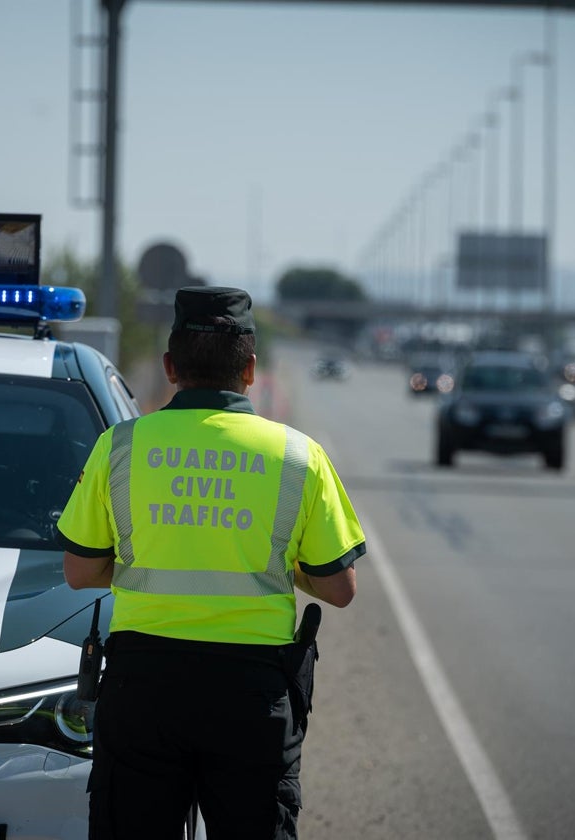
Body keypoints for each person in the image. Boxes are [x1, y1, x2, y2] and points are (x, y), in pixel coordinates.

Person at [57, 285, 365, 840]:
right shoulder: (299, 455)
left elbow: (79, 572)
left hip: (143, 689)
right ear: (250, 369)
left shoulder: (120, 446)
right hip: (252, 697)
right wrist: (277, 560)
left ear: (170, 366)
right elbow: (339, 588)